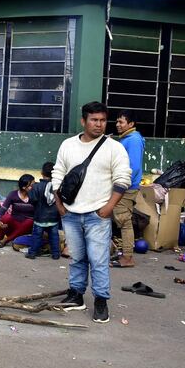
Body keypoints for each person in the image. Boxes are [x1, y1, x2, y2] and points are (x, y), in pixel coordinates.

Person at [52, 101, 131, 324]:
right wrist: (60, 205)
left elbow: (123, 179)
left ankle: (100, 301)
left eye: (103, 120)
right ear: (83, 121)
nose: (99, 124)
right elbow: (58, 174)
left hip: (98, 214)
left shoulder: (114, 148)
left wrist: (107, 208)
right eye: (94, 120)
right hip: (71, 213)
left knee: (98, 260)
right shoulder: (68, 145)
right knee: (77, 258)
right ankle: (76, 295)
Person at [111, 110, 145, 268]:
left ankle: (127, 257)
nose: (118, 125)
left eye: (121, 122)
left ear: (131, 124)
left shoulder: (133, 140)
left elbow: (134, 167)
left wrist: (121, 186)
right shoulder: (126, 139)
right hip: (121, 186)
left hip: (125, 187)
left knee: (124, 221)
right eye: (117, 122)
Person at [0, 174, 35, 248]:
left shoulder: (34, 196)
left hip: (26, 228)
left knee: (30, 222)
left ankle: (6, 240)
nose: (33, 187)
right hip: (14, 223)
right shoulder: (13, 195)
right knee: (5, 218)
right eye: (31, 185)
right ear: (24, 187)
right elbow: (3, 208)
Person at [27, 162, 62, 260]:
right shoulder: (57, 186)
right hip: (54, 217)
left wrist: (30, 192)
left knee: (37, 236)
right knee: (54, 236)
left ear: (42, 172)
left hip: (40, 217)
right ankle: (55, 254)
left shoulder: (36, 187)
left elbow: (32, 200)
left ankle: (32, 253)